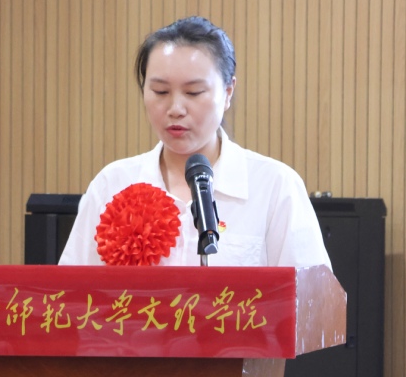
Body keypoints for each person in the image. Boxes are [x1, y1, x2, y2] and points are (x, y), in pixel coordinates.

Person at [59, 16, 331, 270]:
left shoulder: (275, 187)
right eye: (160, 92)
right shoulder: (112, 184)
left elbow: (313, 299)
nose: (176, 109)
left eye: (193, 92)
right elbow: (71, 294)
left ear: (228, 92)